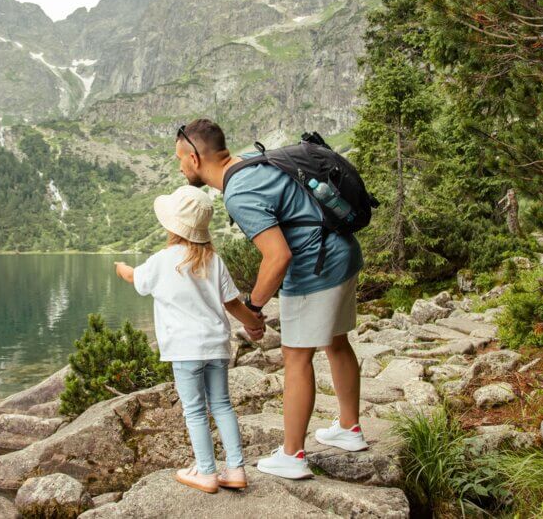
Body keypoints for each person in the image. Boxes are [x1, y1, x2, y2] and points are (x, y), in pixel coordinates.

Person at [173, 119, 367, 481]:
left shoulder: (238, 191)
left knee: (295, 357)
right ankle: (349, 428)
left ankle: (293, 455)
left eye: (180, 159)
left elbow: (277, 257)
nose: (179, 166)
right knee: (336, 341)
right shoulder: (250, 161)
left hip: (317, 266)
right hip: (342, 250)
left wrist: (254, 309)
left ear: (196, 158)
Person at [114, 185, 267, 493]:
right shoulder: (214, 260)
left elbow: (136, 280)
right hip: (216, 346)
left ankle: (207, 472)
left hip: (184, 350)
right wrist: (254, 324)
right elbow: (233, 304)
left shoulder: (161, 260)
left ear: (171, 225)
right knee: (222, 405)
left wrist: (122, 269)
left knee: (195, 410)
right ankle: (235, 469)